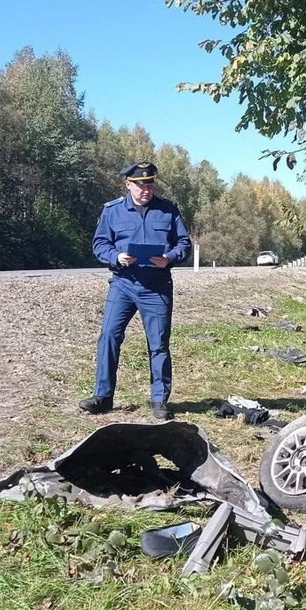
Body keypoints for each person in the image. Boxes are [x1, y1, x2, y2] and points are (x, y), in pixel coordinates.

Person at [78, 162, 192, 419]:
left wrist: (170, 257)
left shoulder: (168, 211)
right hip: (123, 284)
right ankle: (102, 397)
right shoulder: (112, 211)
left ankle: (159, 400)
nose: (146, 189)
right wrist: (116, 256)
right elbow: (99, 244)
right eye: (140, 184)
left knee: (159, 344)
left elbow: (184, 243)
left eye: (150, 184)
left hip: (156, 287)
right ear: (128, 184)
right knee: (108, 336)